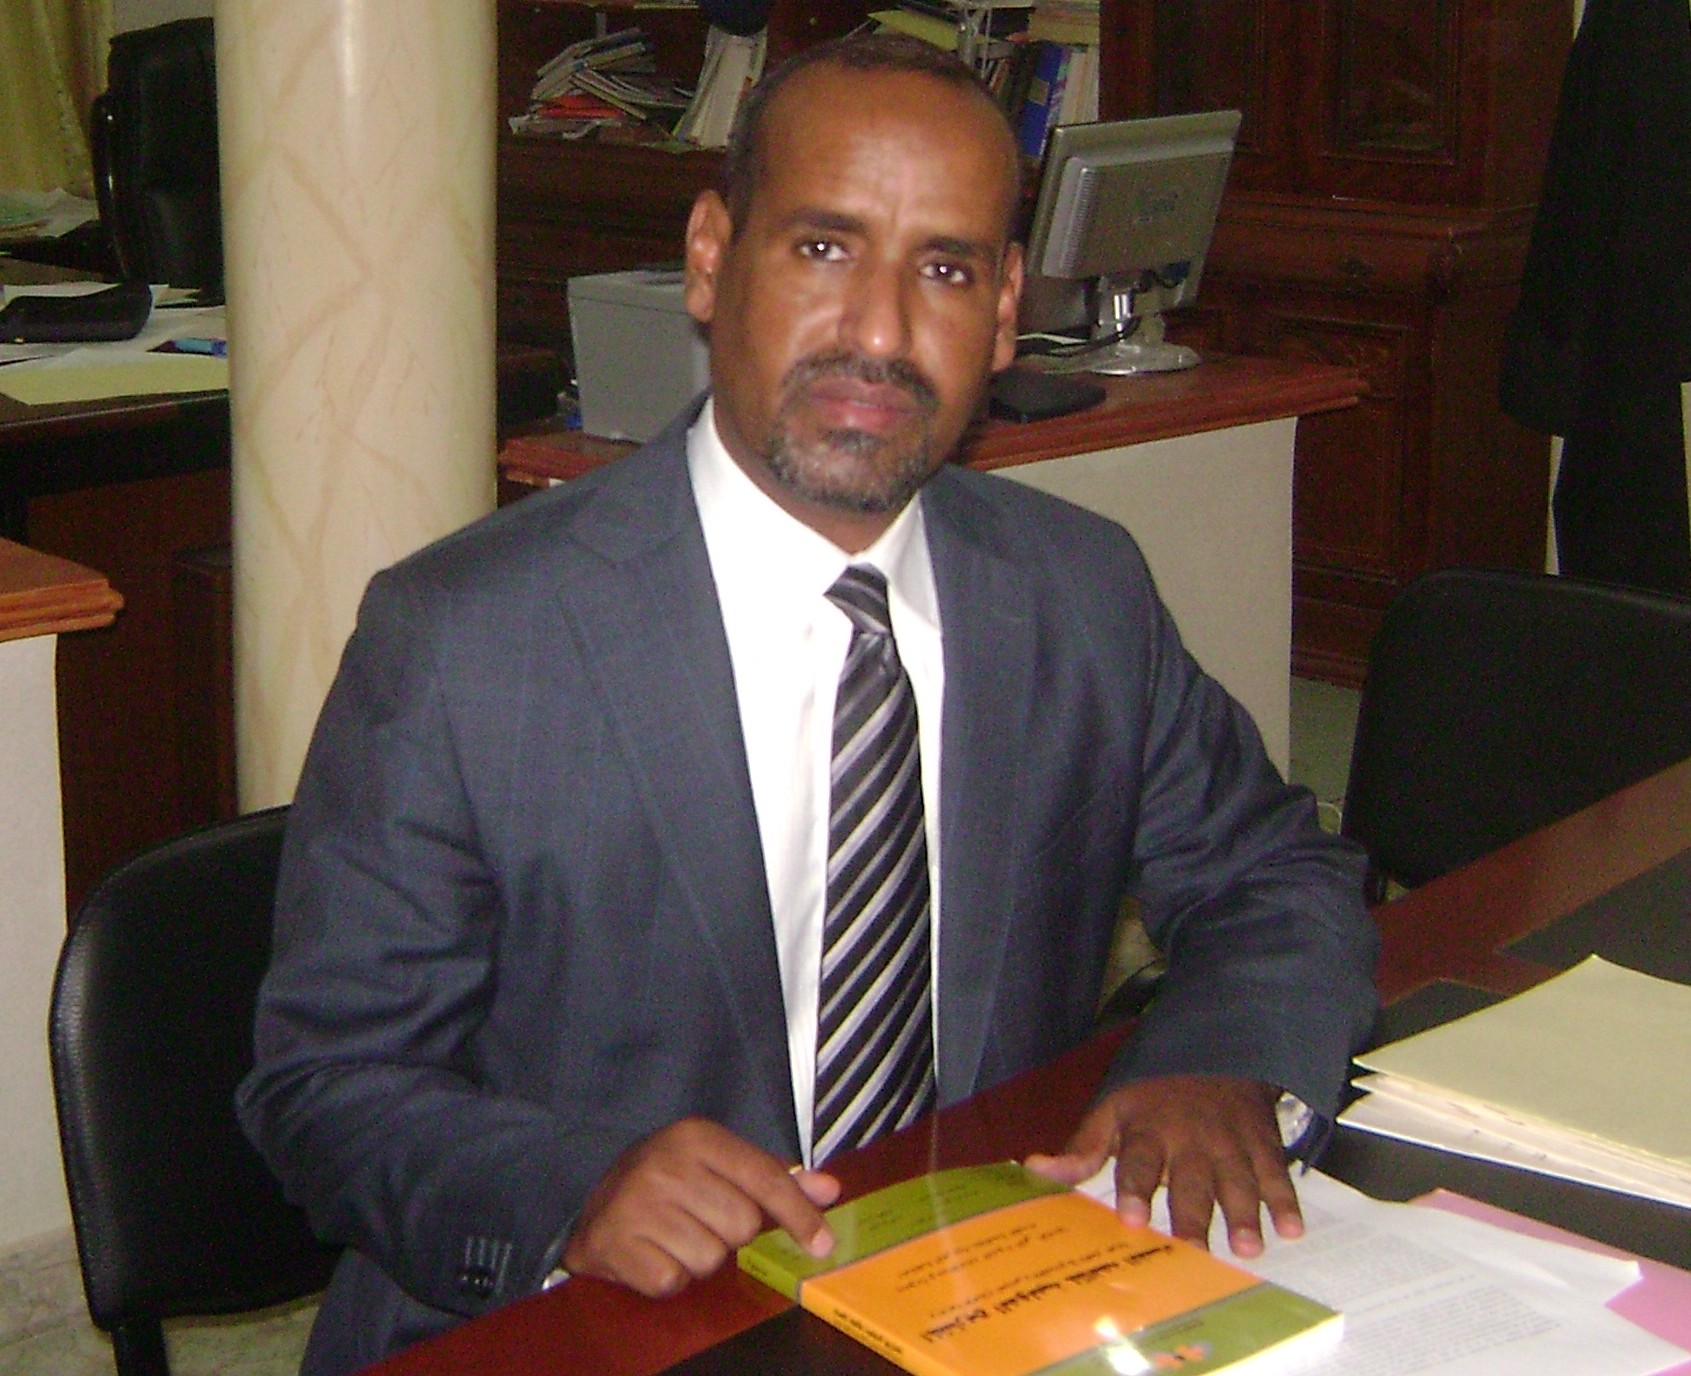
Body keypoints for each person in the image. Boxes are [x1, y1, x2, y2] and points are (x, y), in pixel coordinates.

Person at [238, 34, 1377, 1375]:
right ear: (711, 259)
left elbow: (1273, 874)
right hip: (584, 1332)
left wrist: (1218, 1059)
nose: (881, 334)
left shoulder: (1075, 592)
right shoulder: (467, 640)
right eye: (825, 249)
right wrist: (570, 1188)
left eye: (945, 270)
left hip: (969, 1293)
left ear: (1006, 309)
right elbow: (327, 1086)